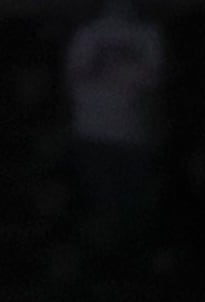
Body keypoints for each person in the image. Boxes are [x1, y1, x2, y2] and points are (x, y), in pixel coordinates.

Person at [65, 1, 166, 232]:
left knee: (135, 219)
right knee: (102, 218)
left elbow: (155, 91)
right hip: (93, 136)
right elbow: (72, 83)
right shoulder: (87, 33)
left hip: (132, 139)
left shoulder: (149, 34)